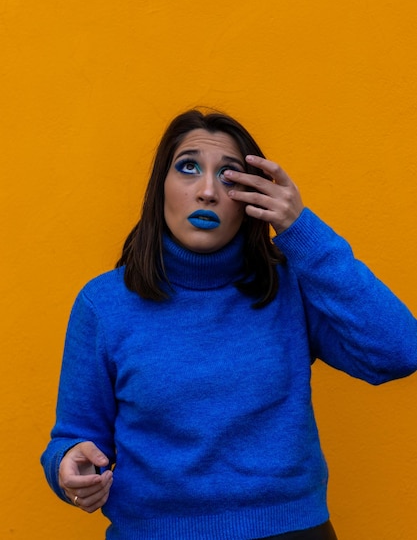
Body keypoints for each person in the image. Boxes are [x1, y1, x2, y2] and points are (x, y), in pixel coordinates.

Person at [41, 108, 417, 540]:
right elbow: (74, 435)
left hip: (290, 531)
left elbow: (399, 351)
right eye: (188, 168)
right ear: (160, 187)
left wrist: (300, 230)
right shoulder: (104, 304)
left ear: (253, 198)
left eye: (229, 176)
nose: (207, 191)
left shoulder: (289, 288)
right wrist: (68, 466)